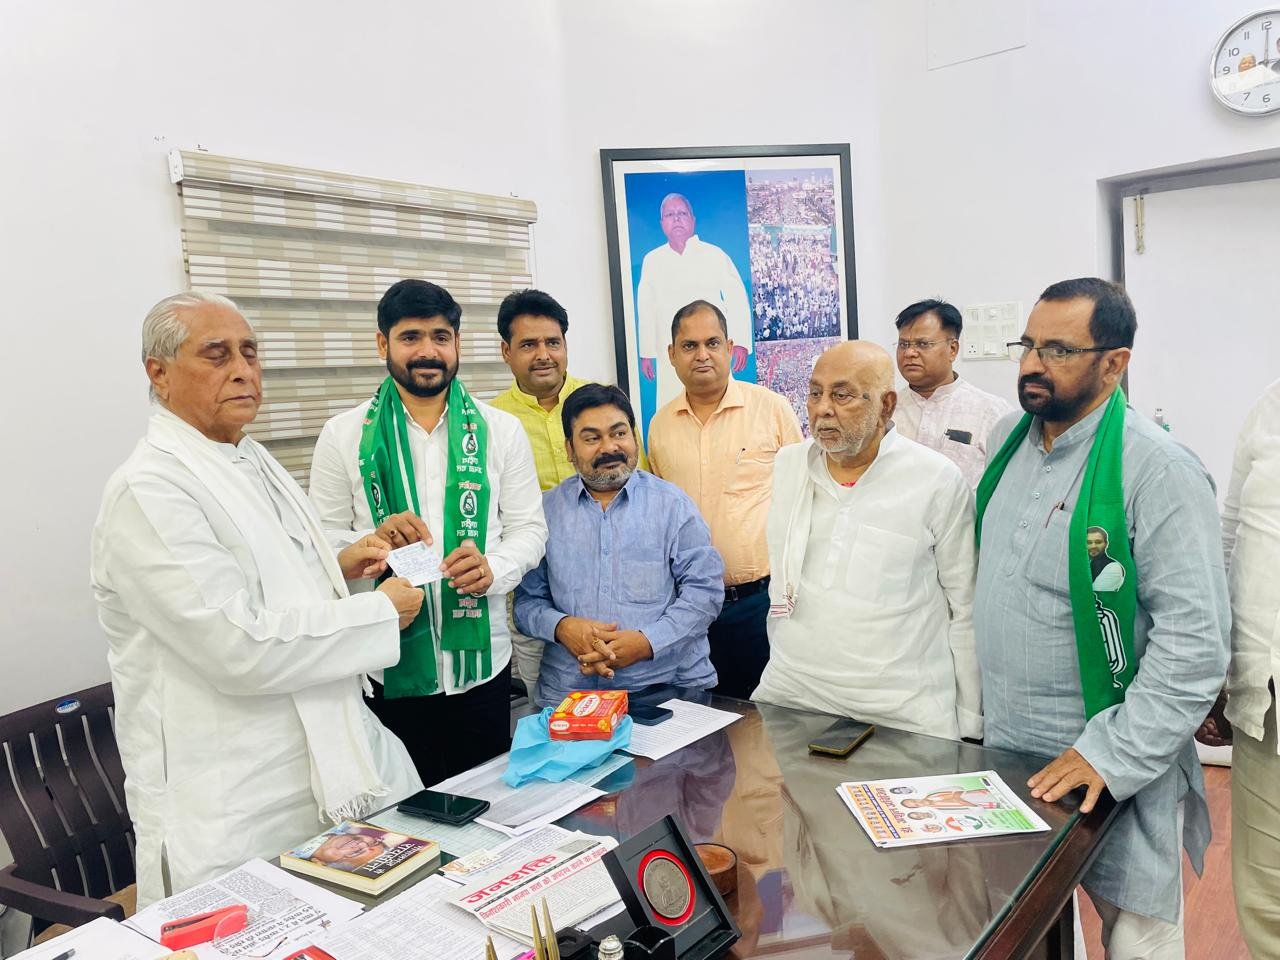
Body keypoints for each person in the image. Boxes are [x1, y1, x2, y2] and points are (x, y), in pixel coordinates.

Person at [91, 291, 423, 906]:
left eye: (250, 352)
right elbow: (238, 646)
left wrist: (341, 562)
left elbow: (268, 574)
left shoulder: (247, 455)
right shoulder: (149, 489)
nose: (244, 370)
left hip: (321, 765)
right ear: (158, 373)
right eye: (217, 355)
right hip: (237, 794)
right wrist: (381, 611)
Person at [974, 277, 1229, 958]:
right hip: (1008, 757)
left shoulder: (1158, 469)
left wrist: (1108, 754)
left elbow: (1195, 646)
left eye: (1057, 350)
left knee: (1137, 940)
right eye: (1027, 345)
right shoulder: (1006, 441)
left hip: (1112, 761)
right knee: (1038, 933)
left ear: (1114, 363)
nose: (1032, 364)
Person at [310, 279, 548, 786]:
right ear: (383, 343)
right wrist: (369, 543)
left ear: (457, 343)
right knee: (403, 811)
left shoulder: (500, 430)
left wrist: (493, 568)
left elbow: (530, 528)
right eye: (410, 337)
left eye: (440, 336)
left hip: (482, 667)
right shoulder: (343, 435)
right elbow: (320, 544)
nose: (427, 351)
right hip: (386, 663)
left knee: (485, 804)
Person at [752, 342, 982, 741]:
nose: (823, 409)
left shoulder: (934, 479)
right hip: (793, 695)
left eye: (841, 395)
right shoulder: (790, 465)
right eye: (815, 393)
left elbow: (965, 606)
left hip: (901, 711)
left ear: (886, 405)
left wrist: (971, 721)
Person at [514, 384, 724, 707]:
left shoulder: (672, 506)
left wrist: (647, 642)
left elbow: (705, 593)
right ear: (569, 449)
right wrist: (562, 627)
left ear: (634, 438)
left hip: (665, 688)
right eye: (591, 438)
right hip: (570, 694)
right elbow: (526, 603)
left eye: (619, 433)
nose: (609, 447)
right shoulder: (545, 512)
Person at [647, 300, 802, 698]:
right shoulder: (660, 426)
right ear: (672, 354)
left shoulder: (771, 409)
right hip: (688, 606)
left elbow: (805, 496)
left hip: (761, 603)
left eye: (712, 343)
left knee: (771, 716)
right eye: (689, 346)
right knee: (703, 714)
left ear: (730, 348)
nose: (702, 355)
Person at [1195, 378, 1280, 957]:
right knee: (1267, 888)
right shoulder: (1269, 407)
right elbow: (1231, 533)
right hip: (1265, 690)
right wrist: (1220, 670)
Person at [489, 288, 646, 492]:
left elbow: (641, 481)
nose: (543, 355)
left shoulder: (607, 403)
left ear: (565, 345)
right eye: (529, 345)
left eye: (553, 343)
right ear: (506, 351)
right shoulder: (493, 421)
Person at [636, 193, 752, 411]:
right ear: (662, 223)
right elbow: (646, 309)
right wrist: (646, 353)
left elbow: (736, 299)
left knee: (725, 406)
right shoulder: (652, 260)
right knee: (671, 409)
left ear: (692, 219)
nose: (676, 219)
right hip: (671, 352)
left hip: (711, 349)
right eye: (670, 215)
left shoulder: (714, 254)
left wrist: (741, 342)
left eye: (682, 213)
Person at [892, 299, 1012, 488]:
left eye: (923, 344)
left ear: (952, 349)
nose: (909, 353)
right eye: (903, 344)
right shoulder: (885, 411)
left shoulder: (991, 412)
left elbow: (1009, 481)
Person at [1086, 526, 1126, 590]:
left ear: (1106, 544)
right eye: (1089, 542)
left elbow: (1095, 590)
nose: (1093, 546)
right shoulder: (1087, 563)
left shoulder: (1113, 567)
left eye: (1098, 542)